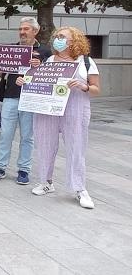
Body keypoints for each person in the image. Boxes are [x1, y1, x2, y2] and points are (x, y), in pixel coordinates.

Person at [17, 27, 100, 209]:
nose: (57, 39)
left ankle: (79, 188)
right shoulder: (49, 61)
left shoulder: (85, 62)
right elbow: (37, 82)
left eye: (62, 37)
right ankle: (46, 182)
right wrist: (24, 81)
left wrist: (83, 85)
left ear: (74, 41)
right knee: (45, 144)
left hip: (75, 109)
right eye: (56, 37)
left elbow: (96, 89)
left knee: (76, 146)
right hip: (48, 110)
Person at [0, 17, 52, 185]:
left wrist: (40, 66)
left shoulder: (45, 51)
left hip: (31, 99)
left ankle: (24, 170)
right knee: (5, 134)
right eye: (20, 29)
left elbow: (50, 75)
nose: (22, 32)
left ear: (35, 31)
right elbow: (1, 74)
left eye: (26, 29)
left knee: (27, 136)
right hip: (11, 96)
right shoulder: (11, 49)